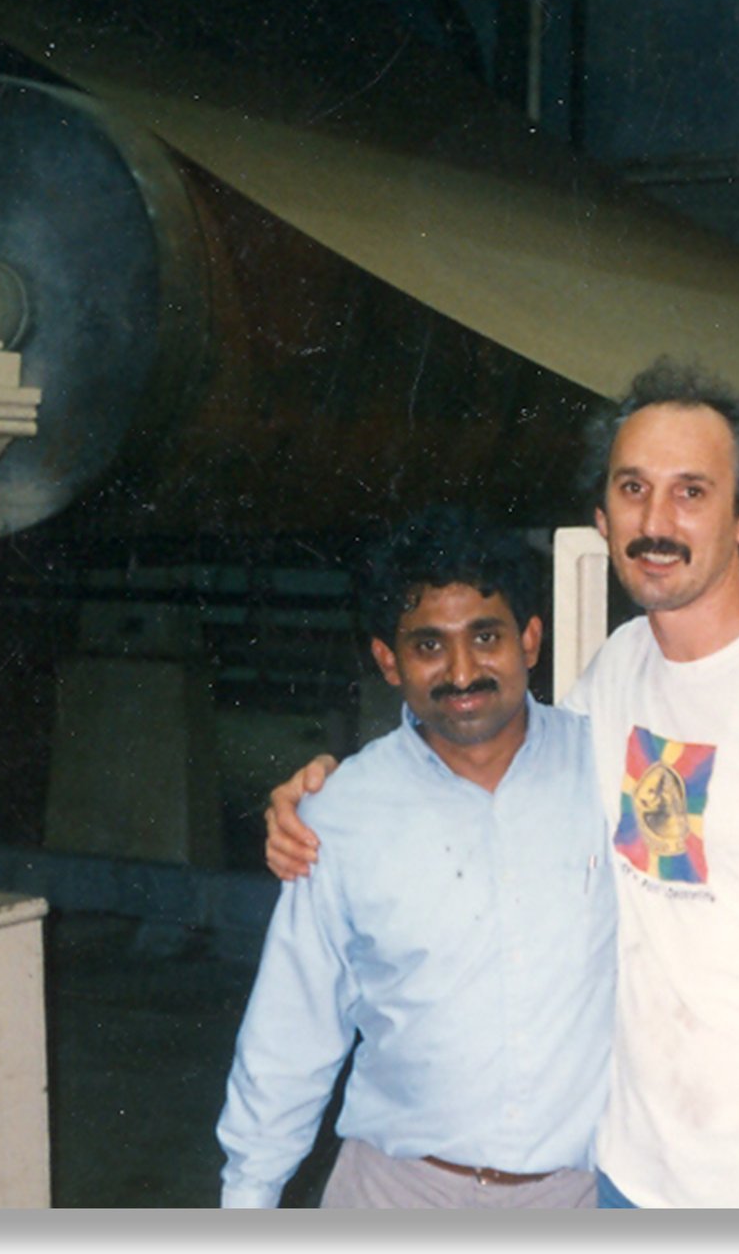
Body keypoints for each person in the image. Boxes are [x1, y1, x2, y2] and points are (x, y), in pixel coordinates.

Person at [270, 360, 739, 1208]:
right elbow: (490, 763)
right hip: (631, 1183)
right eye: (633, 489)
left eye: (691, 492)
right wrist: (326, 792)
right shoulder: (613, 677)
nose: (655, 520)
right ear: (602, 518)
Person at [215, 507, 611, 1207]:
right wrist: (248, 1198)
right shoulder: (342, 812)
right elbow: (292, 1026)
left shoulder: (611, 774)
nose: (462, 670)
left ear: (530, 638)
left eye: (486, 636)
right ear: (388, 661)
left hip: (575, 1198)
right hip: (395, 1193)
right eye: (430, 644)